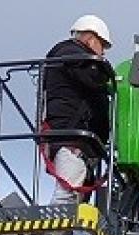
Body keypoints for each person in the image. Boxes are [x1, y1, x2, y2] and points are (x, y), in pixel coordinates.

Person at [41, 16, 116, 205]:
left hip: (79, 140)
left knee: (75, 200)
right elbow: (91, 78)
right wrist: (107, 74)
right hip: (70, 136)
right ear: (91, 39)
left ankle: (61, 234)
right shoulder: (71, 54)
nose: (103, 54)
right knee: (67, 195)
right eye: (102, 46)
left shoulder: (77, 61)